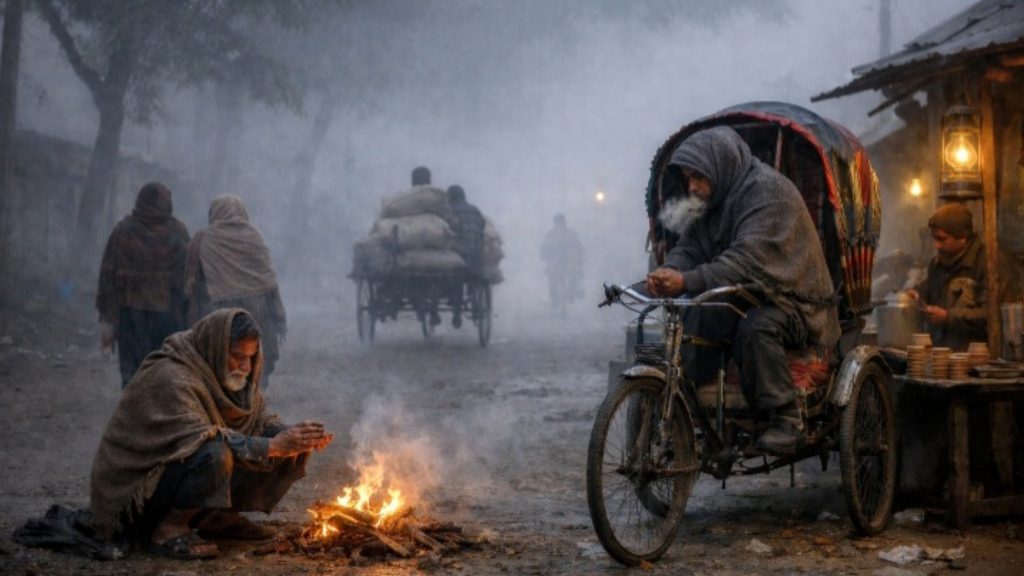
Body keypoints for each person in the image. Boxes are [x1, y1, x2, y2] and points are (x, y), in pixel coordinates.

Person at [645, 126, 839, 455]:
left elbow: (744, 261)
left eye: (698, 177)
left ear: (720, 165)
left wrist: (687, 281)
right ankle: (686, 403)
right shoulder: (713, 198)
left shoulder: (769, 192)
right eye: (688, 178)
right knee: (696, 316)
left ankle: (786, 418)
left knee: (755, 328)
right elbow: (690, 247)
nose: (692, 187)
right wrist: (670, 270)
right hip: (743, 294)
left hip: (791, 299)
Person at [89, 309, 333, 559]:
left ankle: (214, 517)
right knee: (216, 455)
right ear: (215, 348)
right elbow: (202, 439)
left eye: (251, 357)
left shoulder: (227, 374)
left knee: (285, 442)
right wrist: (276, 445)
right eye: (237, 356)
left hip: (185, 467)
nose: (246, 366)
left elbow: (258, 420)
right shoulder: (173, 376)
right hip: (139, 496)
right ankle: (169, 530)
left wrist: (294, 436)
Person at [185, 195, 287, 387]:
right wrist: (278, 314)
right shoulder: (254, 237)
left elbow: (193, 279)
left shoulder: (203, 238)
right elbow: (268, 280)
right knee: (253, 357)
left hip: (218, 309)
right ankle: (254, 393)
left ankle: (225, 396)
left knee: (221, 358)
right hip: (256, 310)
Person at [96, 182, 190, 388]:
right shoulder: (177, 231)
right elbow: (187, 278)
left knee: (132, 374)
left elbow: (108, 278)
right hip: (167, 316)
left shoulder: (123, 231)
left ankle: (134, 407)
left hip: (130, 315)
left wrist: (108, 321)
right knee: (165, 373)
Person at [905, 202, 987, 350]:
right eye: (934, 238)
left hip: (976, 356)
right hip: (942, 355)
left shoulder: (987, 264)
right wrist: (916, 294)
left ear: (962, 238)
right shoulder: (938, 263)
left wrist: (947, 317)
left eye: (942, 239)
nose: (936, 245)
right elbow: (928, 288)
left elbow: (990, 315)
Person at [445, 185, 485, 328]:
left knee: (454, 279)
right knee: (472, 277)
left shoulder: (449, 211)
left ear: (450, 197)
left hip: (456, 256)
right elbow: (482, 228)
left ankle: (455, 309)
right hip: (474, 258)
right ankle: (473, 295)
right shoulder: (475, 210)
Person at [540, 213, 584, 316]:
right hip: (554, 264)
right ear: (554, 223)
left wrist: (578, 259)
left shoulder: (570, 234)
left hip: (568, 263)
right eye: (557, 222)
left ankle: (572, 293)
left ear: (564, 223)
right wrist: (548, 258)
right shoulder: (550, 235)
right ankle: (555, 300)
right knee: (552, 282)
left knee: (574, 277)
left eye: (560, 222)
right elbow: (543, 251)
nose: (559, 225)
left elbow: (578, 248)